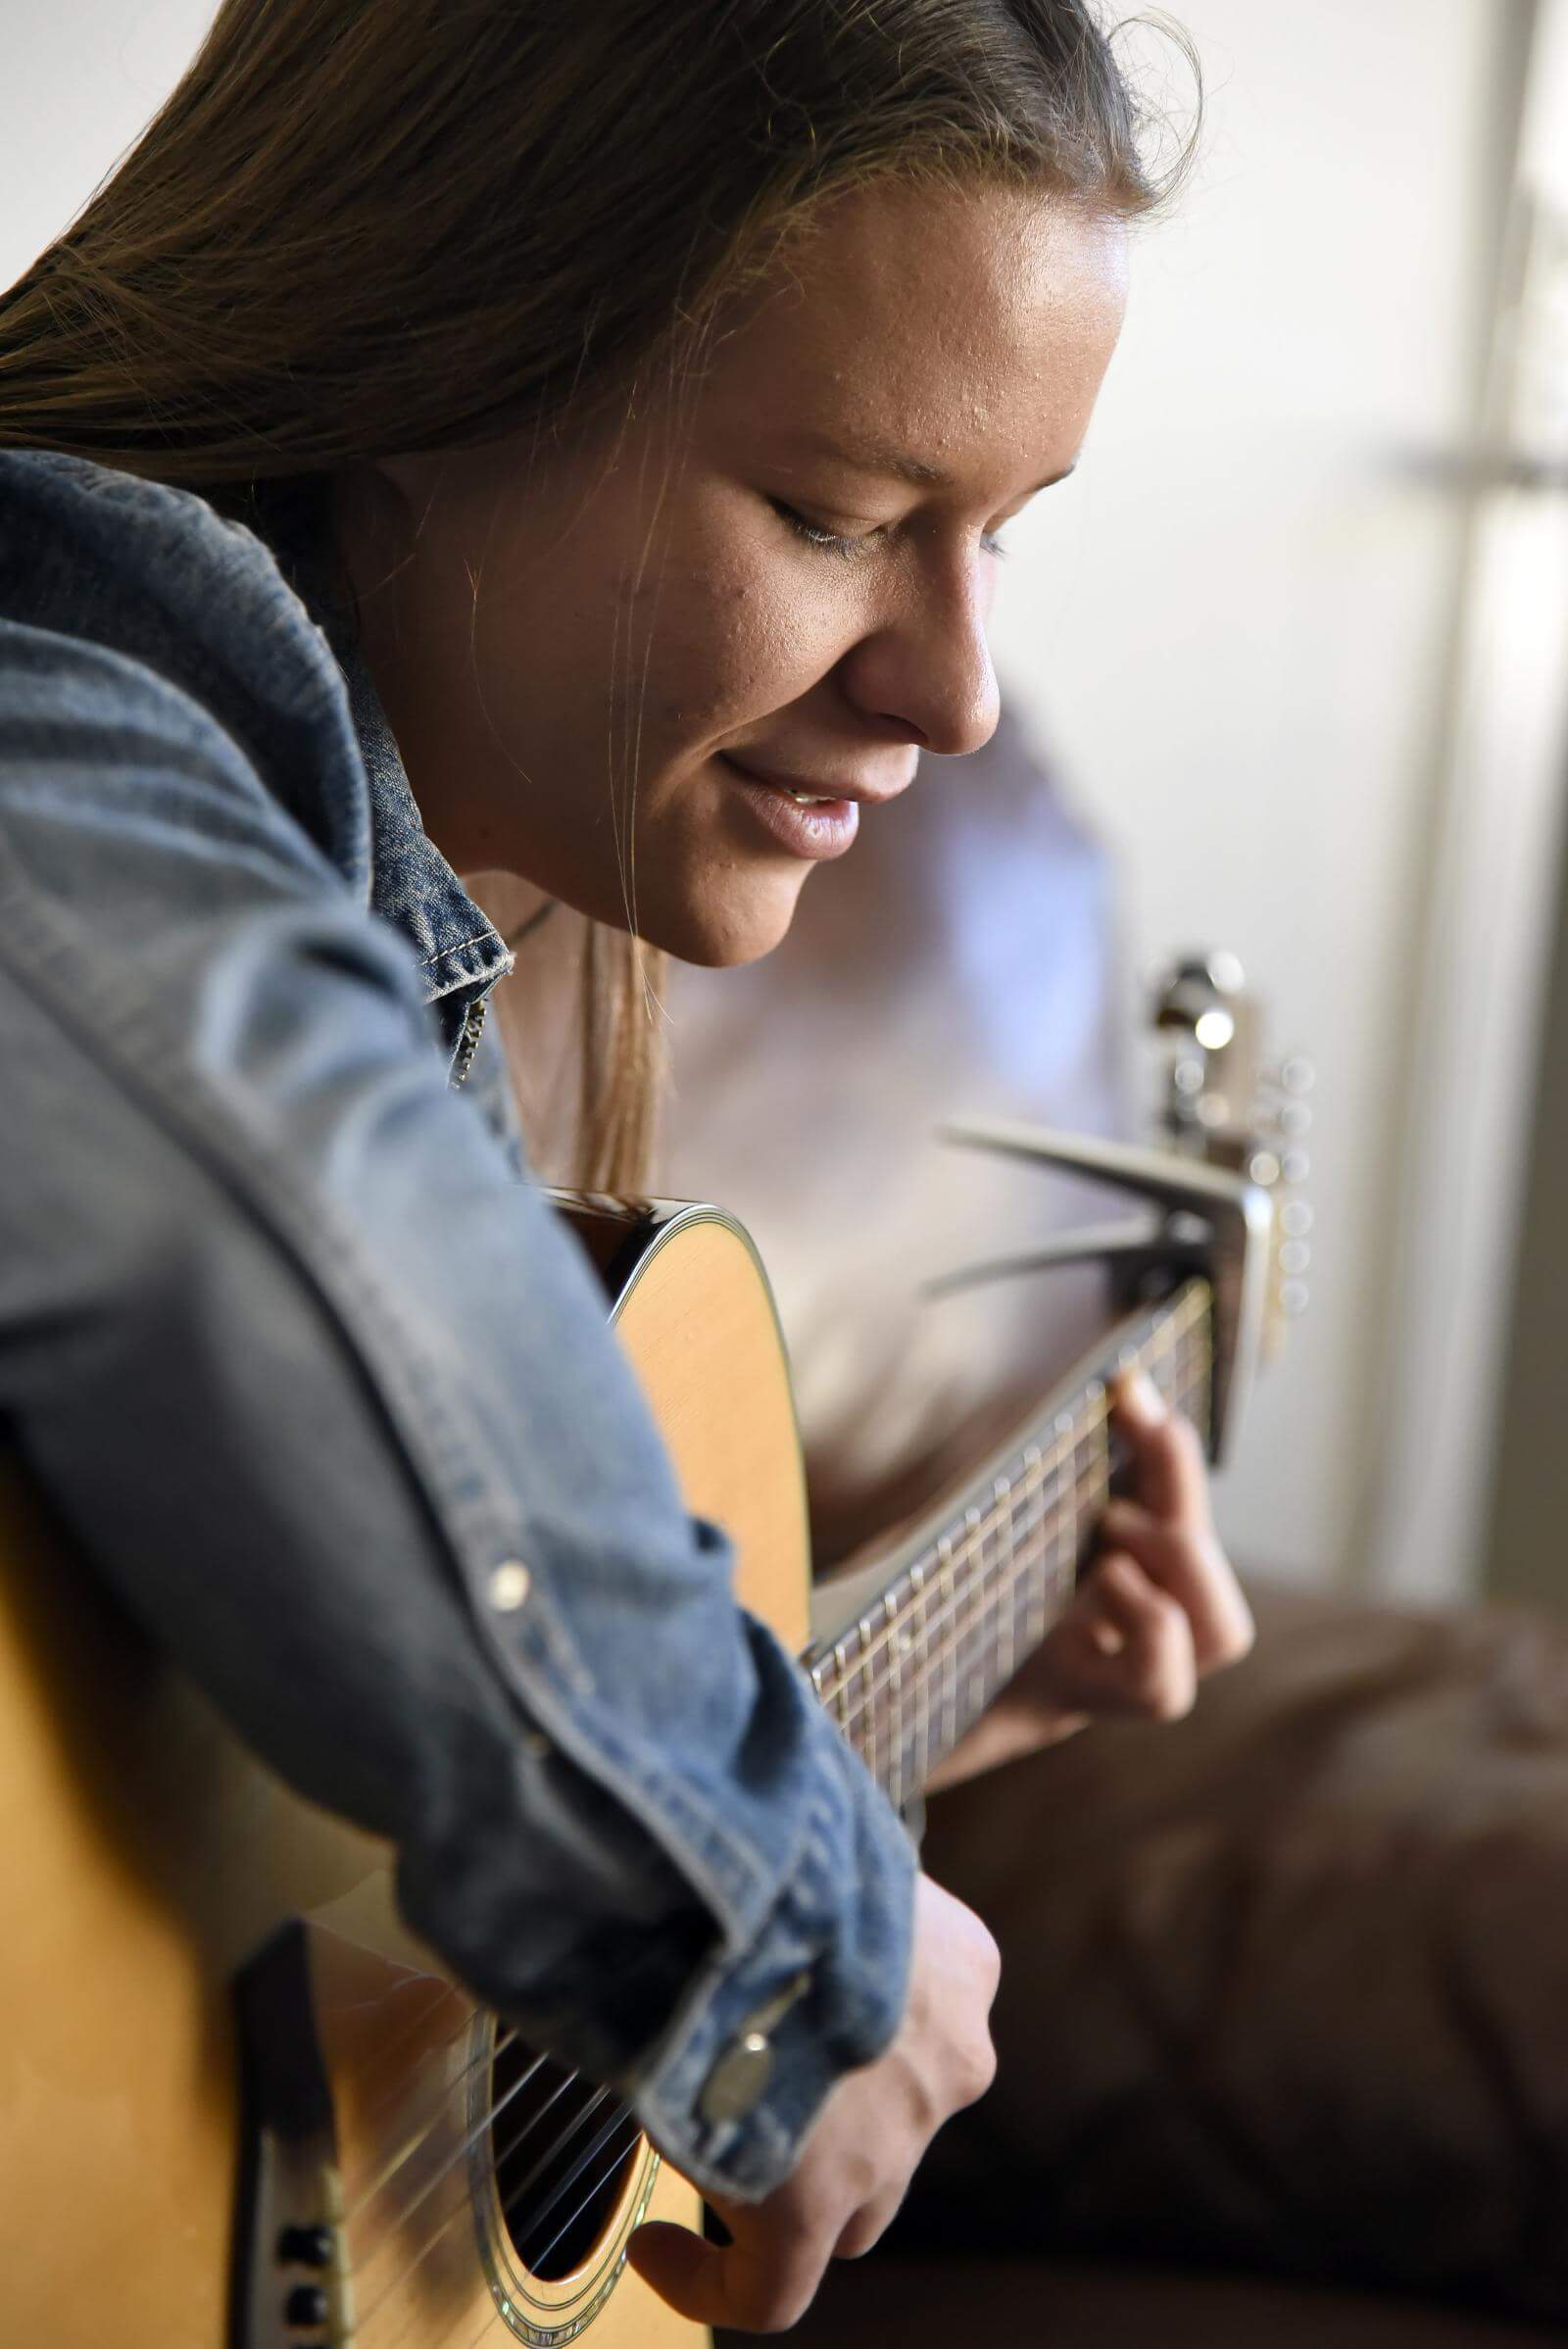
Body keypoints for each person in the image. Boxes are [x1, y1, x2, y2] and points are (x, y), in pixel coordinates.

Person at [0, 1, 1252, 2330]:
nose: (959, 695)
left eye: (996, 537)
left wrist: (863, 1726)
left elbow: (282, 1790)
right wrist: (790, 1916)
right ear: (420, 349)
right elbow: (248, 1219)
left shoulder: (380, 888)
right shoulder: (53, 674)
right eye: (839, 516)